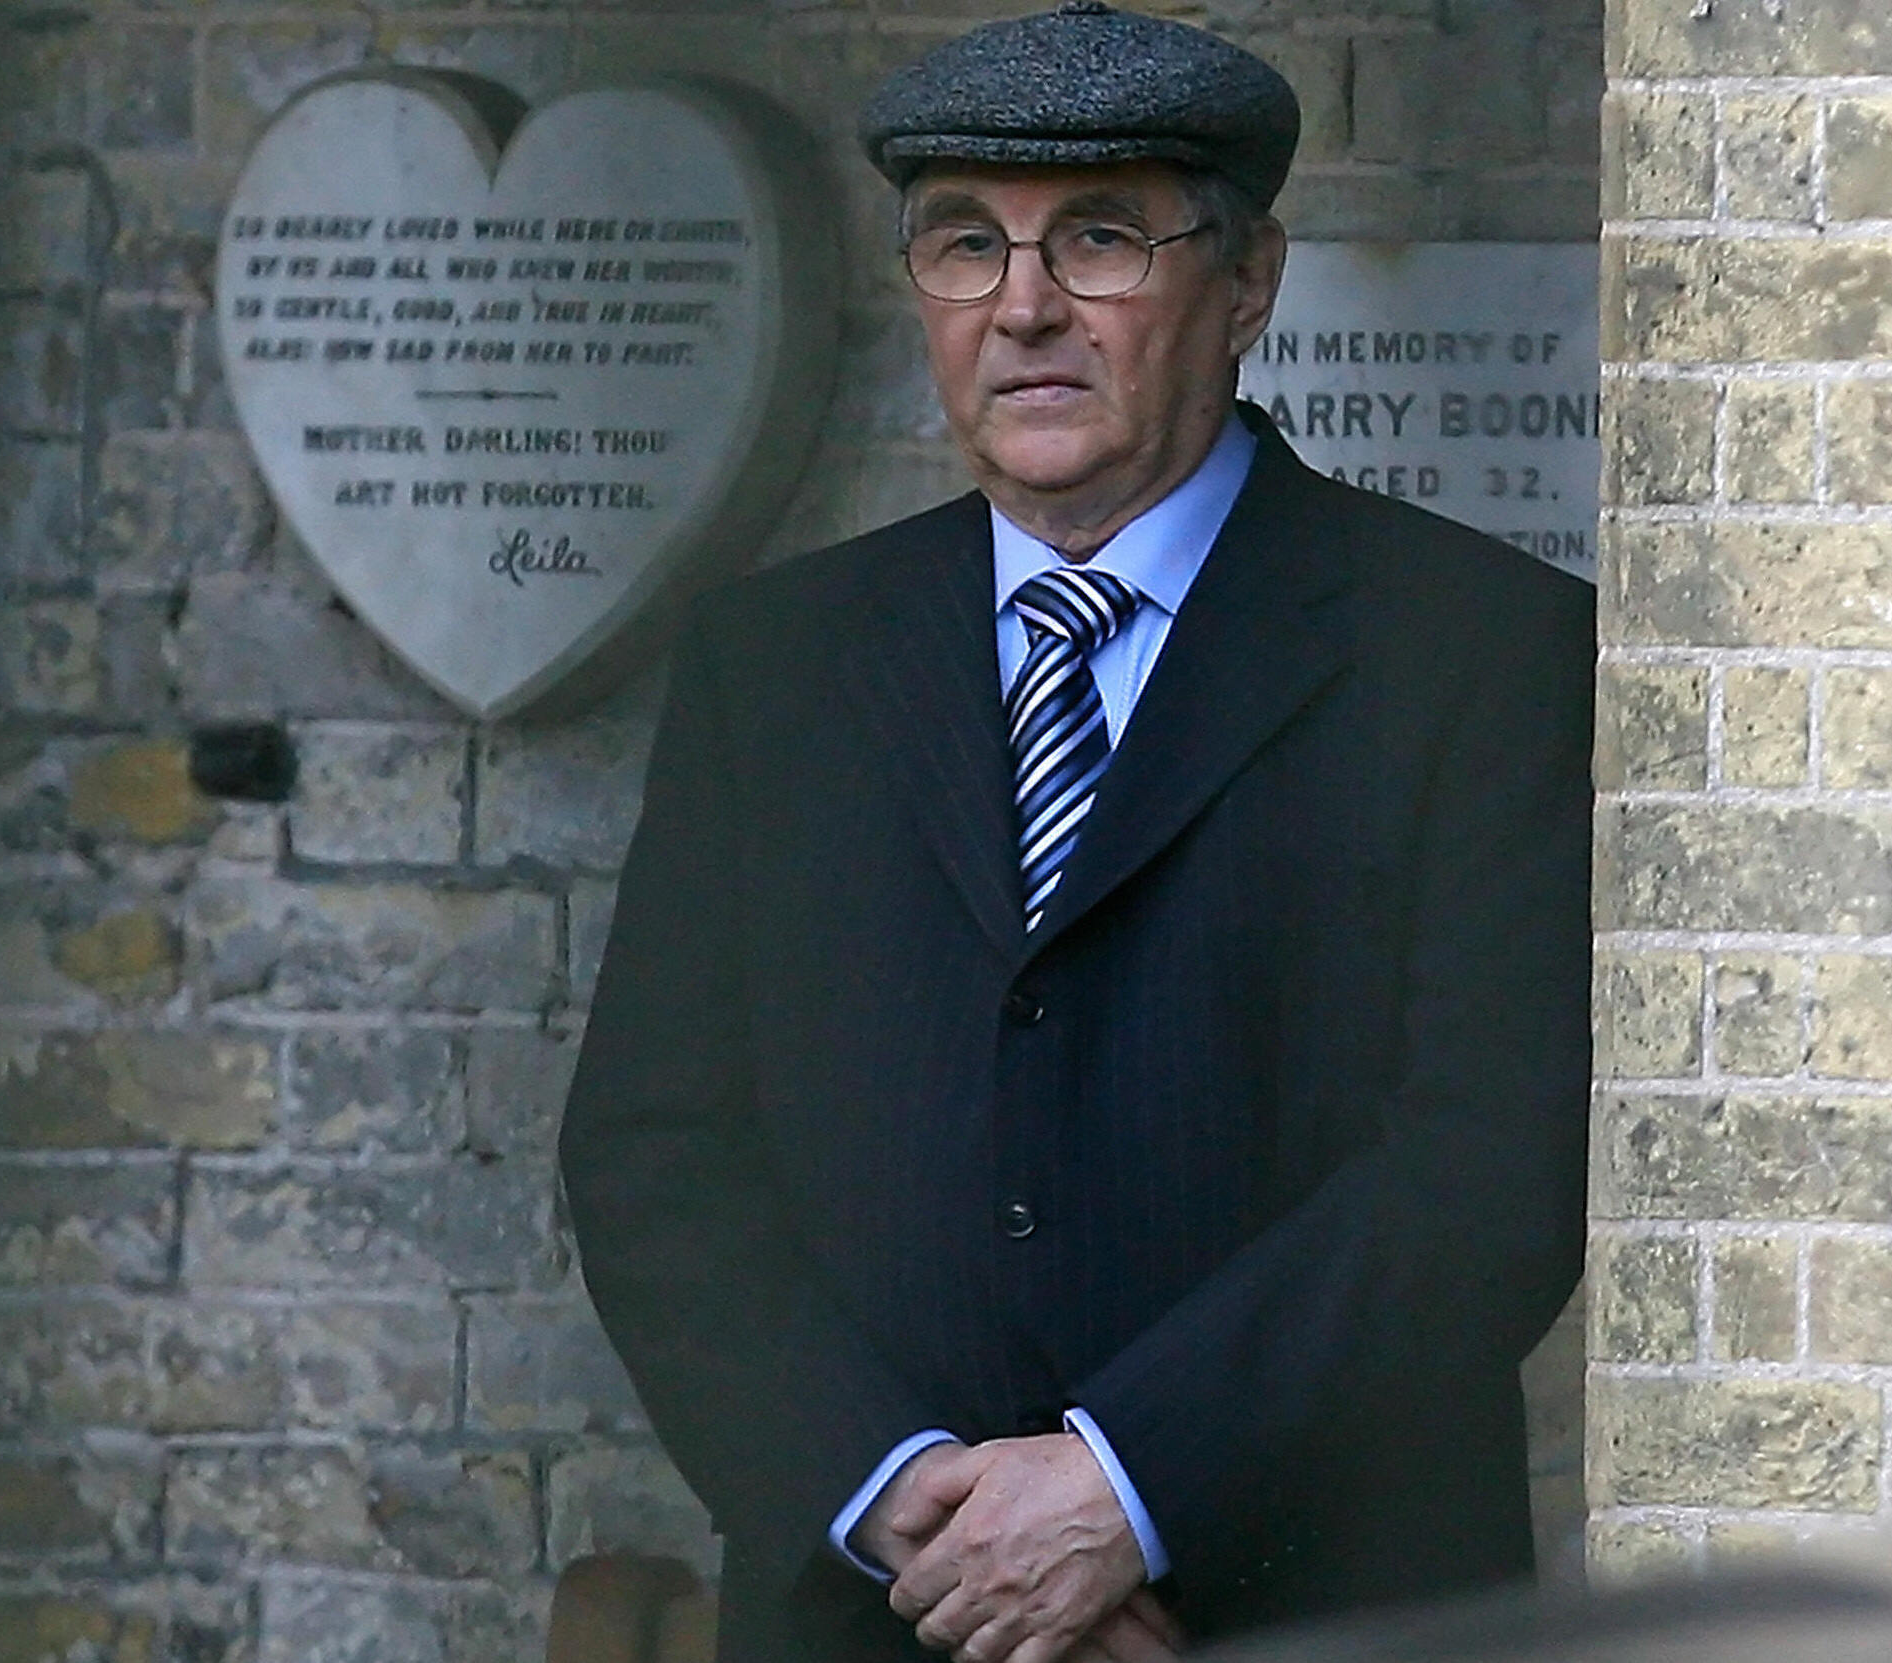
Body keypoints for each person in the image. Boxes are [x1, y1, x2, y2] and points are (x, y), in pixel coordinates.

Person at [557, 5, 1594, 1663]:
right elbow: (656, 1148)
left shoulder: (1481, 650)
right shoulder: (780, 660)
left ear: (1246, 284)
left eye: (1098, 240)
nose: (1023, 308)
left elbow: (1493, 1163)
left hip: (1302, 1608)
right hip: (877, 1612)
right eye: (966, 245)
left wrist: (1127, 1492)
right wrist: (904, 1500)